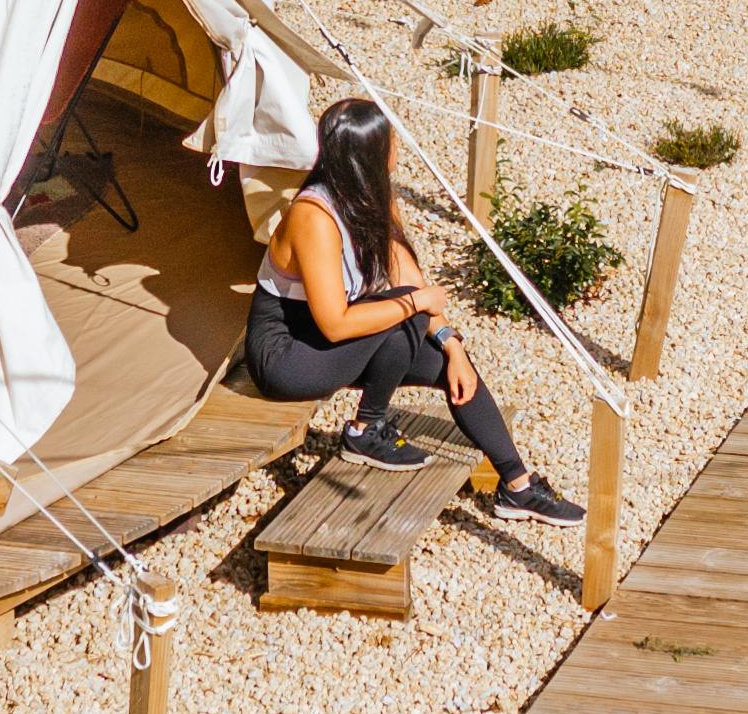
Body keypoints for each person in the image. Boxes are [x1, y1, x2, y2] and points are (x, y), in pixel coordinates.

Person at [239, 96, 569, 520]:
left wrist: (454, 347)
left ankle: (518, 485)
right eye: (392, 141)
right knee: (405, 312)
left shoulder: (371, 197)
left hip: (333, 342)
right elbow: (338, 323)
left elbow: (407, 278)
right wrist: (416, 304)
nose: (399, 149)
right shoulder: (313, 215)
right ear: (370, 154)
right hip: (287, 357)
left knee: (447, 363)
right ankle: (366, 428)